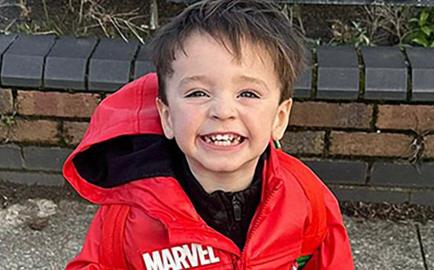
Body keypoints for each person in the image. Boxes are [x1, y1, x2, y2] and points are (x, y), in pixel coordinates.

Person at [63, 0, 354, 269]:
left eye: (248, 93)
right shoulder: (129, 212)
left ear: (279, 118)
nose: (223, 110)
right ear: (167, 117)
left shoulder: (306, 196)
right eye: (198, 92)